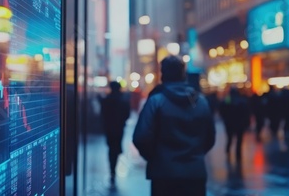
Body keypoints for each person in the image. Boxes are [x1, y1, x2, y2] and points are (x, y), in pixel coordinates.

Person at [133, 56, 216, 196]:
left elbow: (141, 137)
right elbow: (210, 137)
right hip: (195, 173)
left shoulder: (156, 101)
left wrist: (155, 158)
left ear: (163, 74)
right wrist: (195, 154)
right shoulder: (201, 102)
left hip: (164, 174)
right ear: (183, 74)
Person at [99, 81, 131, 186]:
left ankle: (112, 169)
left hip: (109, 128)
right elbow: (127, 114)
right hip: (119, 128)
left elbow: (103, 113)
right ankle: (113, 168)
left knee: (111, 147)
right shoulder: (123, 100)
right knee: (116, 147)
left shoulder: (107, 100)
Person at [218, 86, 250, 160]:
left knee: (229, 138)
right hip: (239, 124)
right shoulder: (241, 100)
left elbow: (222, 110)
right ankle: (238, 154)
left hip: (229, 123)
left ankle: (228, 151)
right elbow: (246, 112)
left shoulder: (227, 100)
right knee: (239, 140)